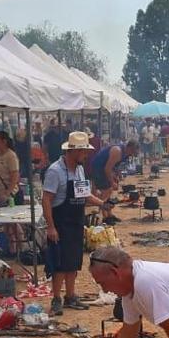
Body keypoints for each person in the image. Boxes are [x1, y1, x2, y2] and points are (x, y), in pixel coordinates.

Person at [42, 134, 109, 316]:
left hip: (76, 221)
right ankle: (56, 298)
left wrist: (102, 203)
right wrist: (51, 226)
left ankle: (70, 296)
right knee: (60, 263)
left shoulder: (79, 169)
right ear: (74, 151)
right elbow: (46, 199)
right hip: (61, 221)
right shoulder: (55, 171)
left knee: (73, 261)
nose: (86, 155)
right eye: (84, 151)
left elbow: (84, 194)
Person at [0, 130, 22, 207]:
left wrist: (7, 193)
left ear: (4, 141)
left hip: (9, 196)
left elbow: (15, 176)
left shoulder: (11, 155)